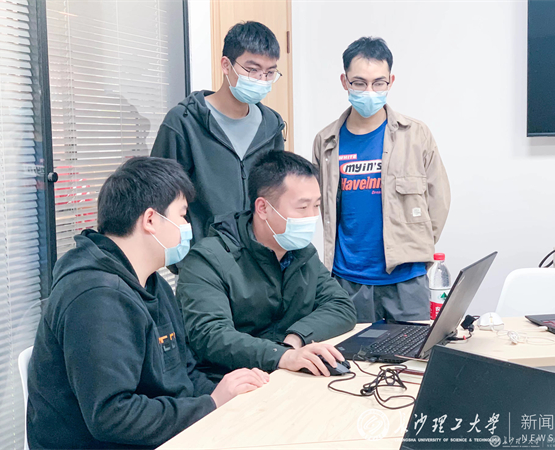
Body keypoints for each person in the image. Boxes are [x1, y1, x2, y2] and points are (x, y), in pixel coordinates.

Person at [27, 157, 269, 450]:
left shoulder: (153, 283)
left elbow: (184, 372)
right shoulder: (95, 297)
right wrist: (211, 405)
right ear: (151, 220)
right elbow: (111, 416)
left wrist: (230, 399)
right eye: (182, 216)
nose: (187, 227)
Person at [177, 151, 357, 379]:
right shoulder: (208, 259)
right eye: (302, 208)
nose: (312, 217)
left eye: (316, 205)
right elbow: (210, 335)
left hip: (286, 375)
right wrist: (281, 355)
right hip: (229, 381)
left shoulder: (302, 253)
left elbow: (341, 306)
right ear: (263, 208)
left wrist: (295, 339)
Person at [312, 37, 451, 323]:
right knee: (350, 352)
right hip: (346, 280)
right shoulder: (326, 141)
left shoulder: (416, 135)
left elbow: (439, 202)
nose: (369, 91)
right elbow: (319, 207)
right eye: (359, 83)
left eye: (378, 83)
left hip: (406, 280)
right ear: (344, 81)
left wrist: (412, 245)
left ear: (391, 81)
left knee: (412, 351)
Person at [151, 21, 285, 248]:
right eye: (252, 70)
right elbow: (159, 199)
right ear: (226, 65)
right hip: (203, 259)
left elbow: (275, 194)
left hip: (257, 257)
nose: (262, 80)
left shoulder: (271, 125)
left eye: (269, 72)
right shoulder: (184, 122)